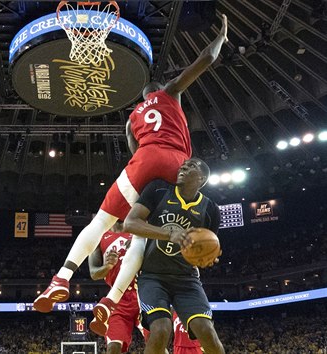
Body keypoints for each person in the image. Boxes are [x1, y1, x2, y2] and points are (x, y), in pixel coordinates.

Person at [33, 14, 229, 314]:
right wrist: (221, 38)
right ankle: (111, 301)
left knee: (102, 222)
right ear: (161, 90)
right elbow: (205, 59)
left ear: (142, 97)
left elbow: (133, 149)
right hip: (176, 164)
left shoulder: (133, 118)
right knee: (140, 234)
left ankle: (62, 278)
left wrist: (142, 172)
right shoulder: (171, 93)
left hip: (144, 158)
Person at [119, 158, 224, 354]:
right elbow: (130, 223)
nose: (183, 166)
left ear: (201, 178)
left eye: (191, 166)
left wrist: (208, 258)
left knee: (207, 330)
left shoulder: (210, 209)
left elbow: (207, 245)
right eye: (183, 165)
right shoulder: (158, 189)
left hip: (187, 279)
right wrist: (169, 234)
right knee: (161, 329)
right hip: (152, 276)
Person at [87, 221, 145, 353]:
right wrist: (107, 267)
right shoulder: (99, 236)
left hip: (143, 293)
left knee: (157, 341)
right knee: (113, 347)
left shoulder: (139, 231)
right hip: (118, 299)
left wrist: (141, 244)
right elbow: (93, 273)